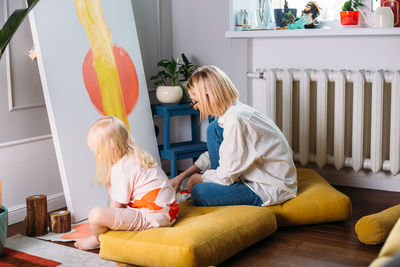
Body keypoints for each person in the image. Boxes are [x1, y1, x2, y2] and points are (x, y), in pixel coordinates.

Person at [170, 66, 297, 207]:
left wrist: (198, 178)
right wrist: (182, 177)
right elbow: (218, 153)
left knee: (199, 192)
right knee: (213, 129)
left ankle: (219, 187)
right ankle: (219, 185)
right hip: (251, 176)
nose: (196, 107)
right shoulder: (231, 113)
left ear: (208, 95)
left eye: (195, 102)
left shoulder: (235, 120)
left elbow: (225, 176)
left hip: (269, 186)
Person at [74, 116, 178, 250]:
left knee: (95, 215)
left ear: (111, 146)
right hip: (168, 213)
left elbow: (117, 206)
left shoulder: (122, 169)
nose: (97, 155)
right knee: (108, 212)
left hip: (152, 217)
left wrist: (109, 185)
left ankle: (98, 240)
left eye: (99, 151)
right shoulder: (135, 156)